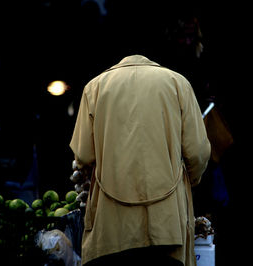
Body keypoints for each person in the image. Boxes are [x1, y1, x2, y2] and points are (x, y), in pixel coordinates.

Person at [69, 54, 210, 266]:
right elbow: (198, 153)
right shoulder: (178, 83)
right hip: (167, 223)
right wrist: (190, 181)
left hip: (112, 226)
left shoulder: (94, 87)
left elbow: (83, 156)